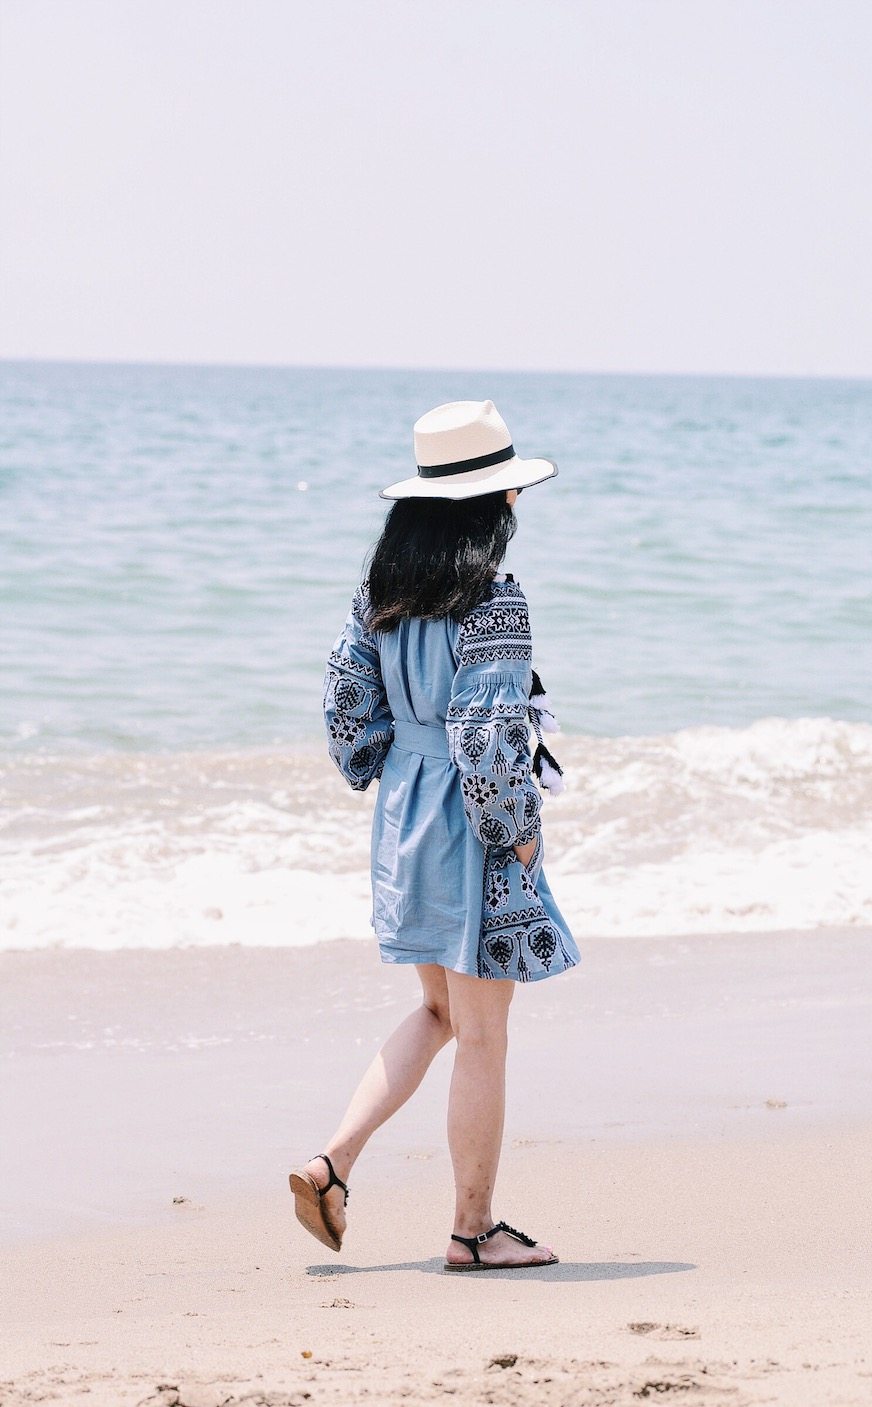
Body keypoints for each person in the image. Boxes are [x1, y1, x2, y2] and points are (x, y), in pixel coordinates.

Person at [290, 399, 580, 1272]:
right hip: (469, 826)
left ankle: (332, 1161)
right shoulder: (494, 597)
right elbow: (490, 733)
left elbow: (347, 714)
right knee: (482, 1032)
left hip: (405, 817)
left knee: (439, 1010)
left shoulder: (378, 593)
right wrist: (519, 835)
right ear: (495, 505)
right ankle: (473, 1229)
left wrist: (393, 769)